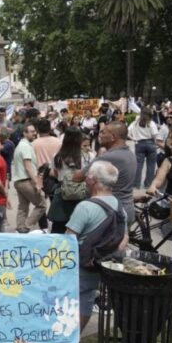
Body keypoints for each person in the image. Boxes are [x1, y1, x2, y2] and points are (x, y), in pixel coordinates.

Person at [66, 161, 128, 330]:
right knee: (87, 299)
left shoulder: (85, 207)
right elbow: (124, 239)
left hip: (82, 264)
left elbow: (68, 239)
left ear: (92, 180)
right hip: (102, 264)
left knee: (68, 298)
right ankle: (75, 337)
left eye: (87, 177)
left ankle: (64, 336)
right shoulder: (119, 207)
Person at [73, 122, 137, 224]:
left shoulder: (108, 157)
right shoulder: (130, 154)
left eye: (103, 133)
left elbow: (77, 178)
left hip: (110, 213)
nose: (100, 135)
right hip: (126, 208)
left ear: (112, 137)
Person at [48, 129, 86, 234]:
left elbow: (55, 174)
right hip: (80, 193)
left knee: (58, 229)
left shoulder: (58, 157)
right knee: (79, 228)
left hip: (62, 194)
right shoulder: (84, 156)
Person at [12, 122, 46, 233]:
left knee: (23, 207)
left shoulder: (21, 146)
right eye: (31, 132)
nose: (34, 133)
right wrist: (37, 182)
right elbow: (28, 167)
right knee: (42, 205)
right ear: (24, 133)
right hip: (25, 180)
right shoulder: (25, 146)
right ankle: (26, 227)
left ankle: (20, 229)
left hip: (18, 181)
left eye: (34, 131)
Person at [128, 109, 159, 189]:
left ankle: (136, 184)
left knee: (138, 165)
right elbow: (155, 135)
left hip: (139, 143)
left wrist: (134, 138)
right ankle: (148, 184)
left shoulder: (136, 122)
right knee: (151, 165)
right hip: (150, 143)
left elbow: (128, 131)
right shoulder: (151, 123)